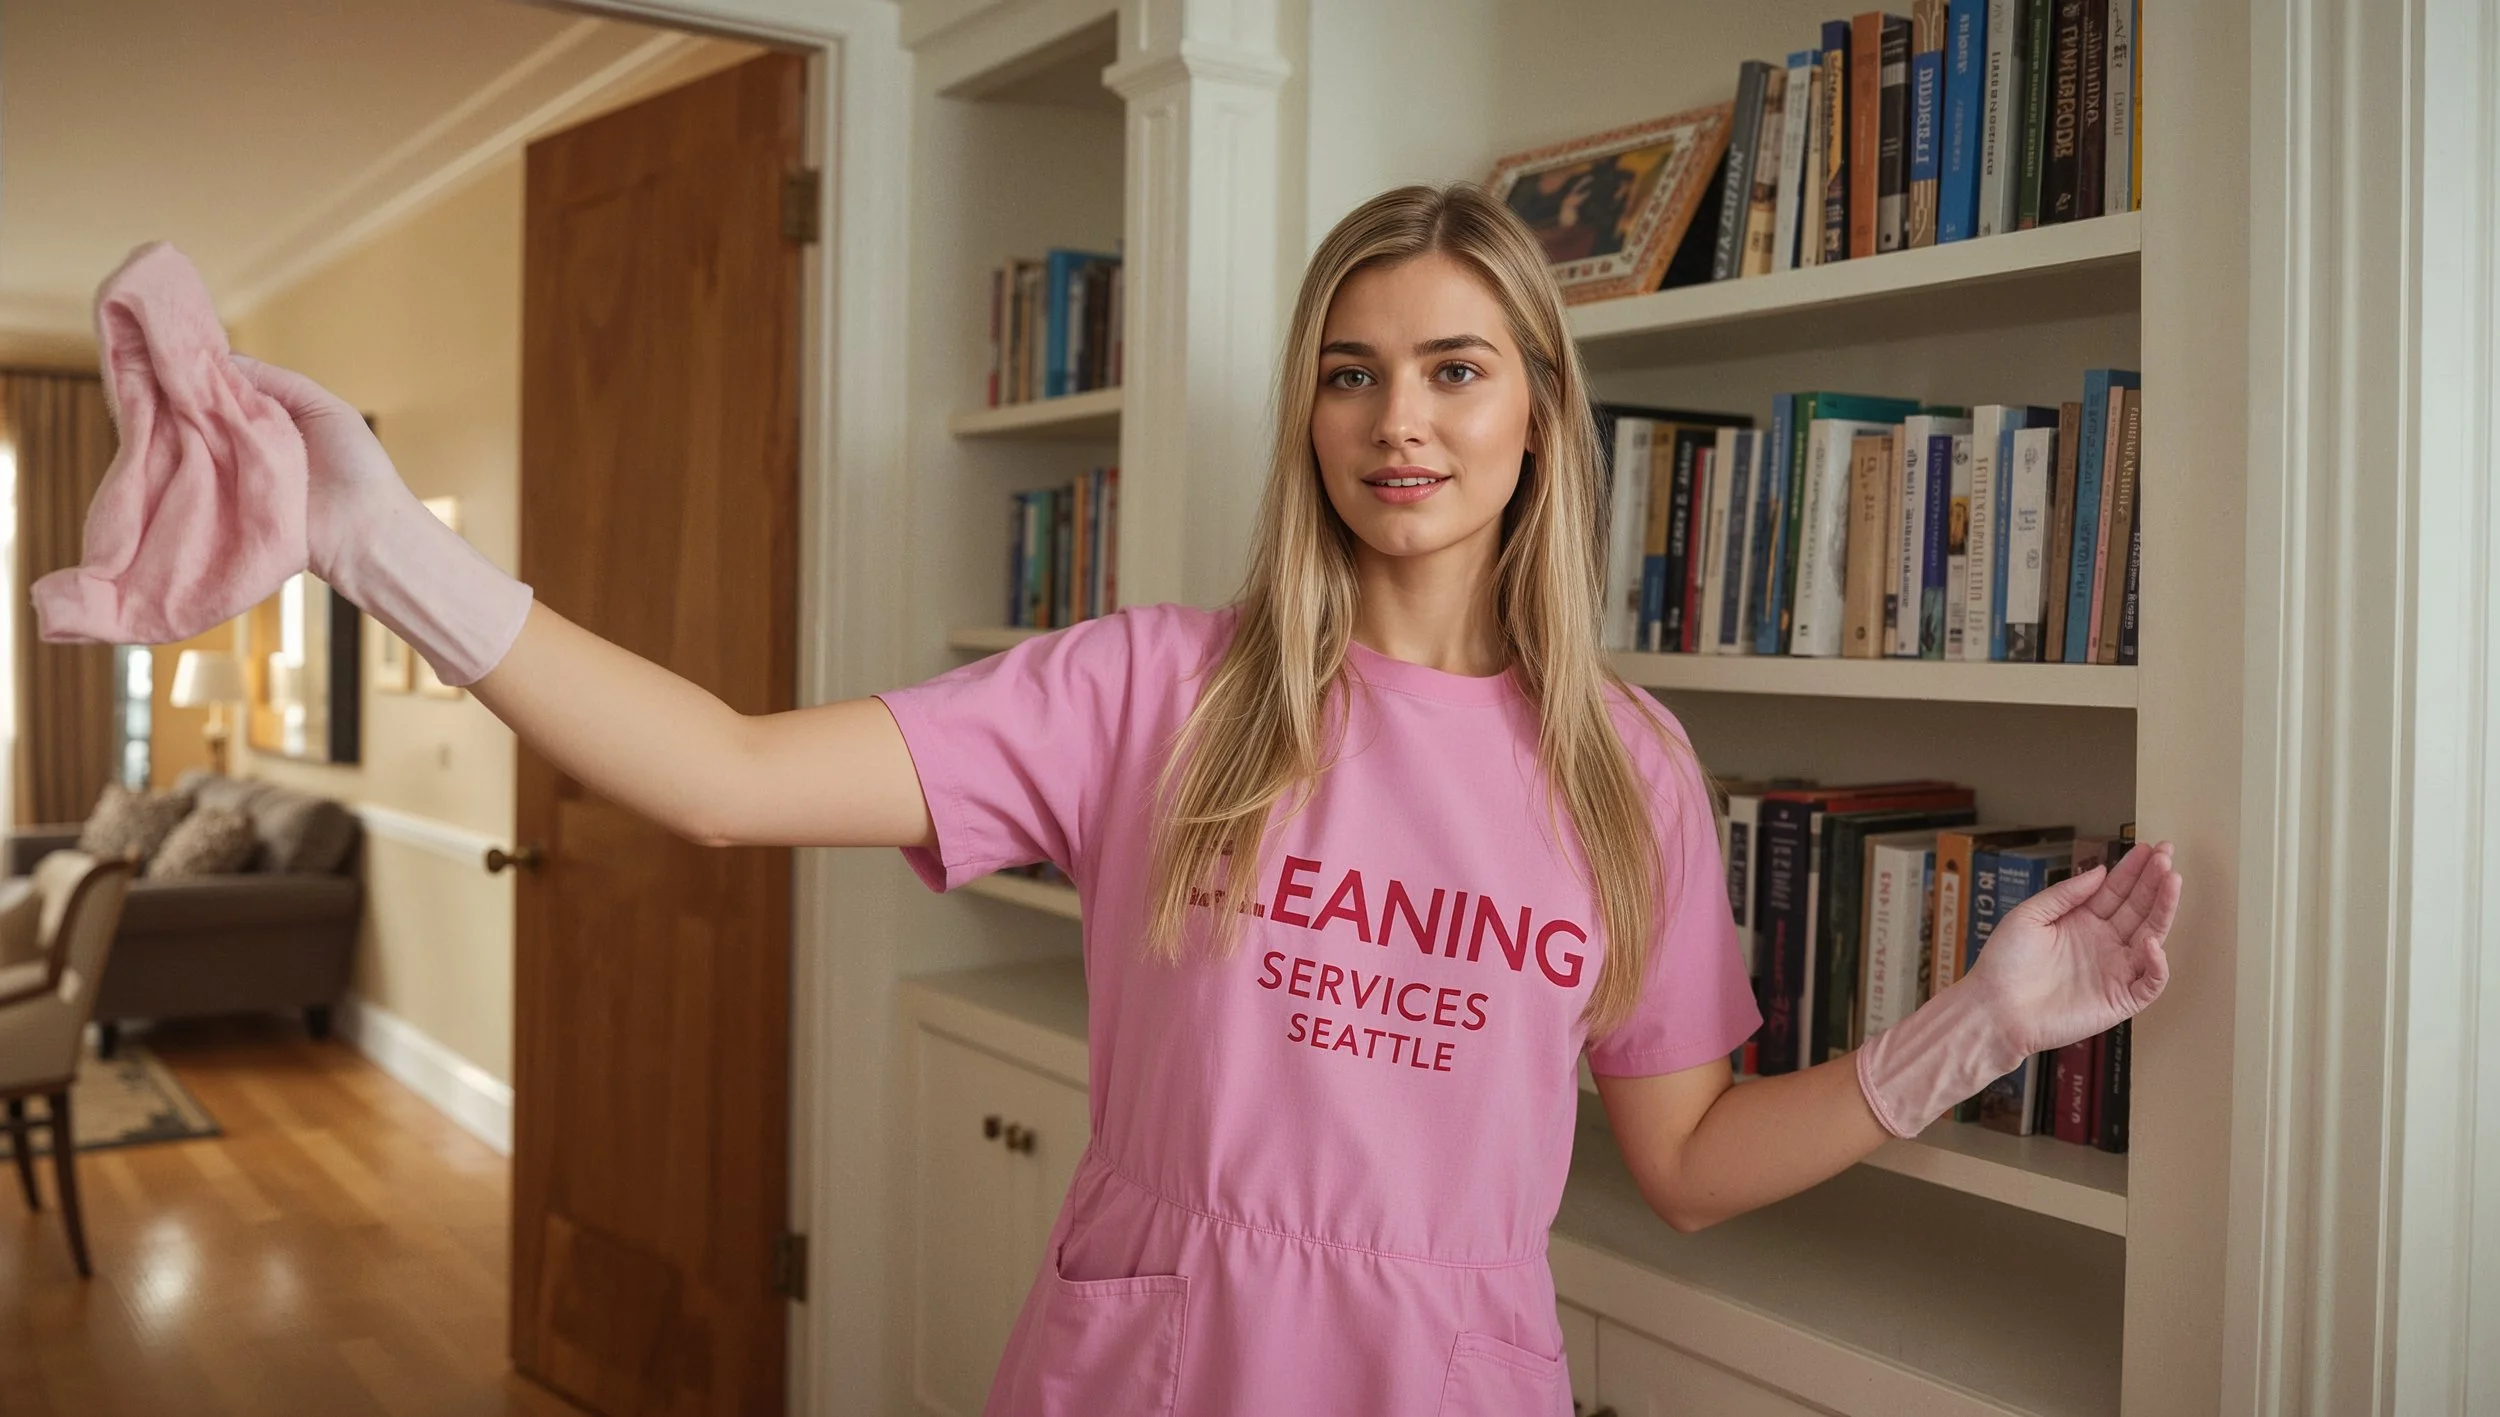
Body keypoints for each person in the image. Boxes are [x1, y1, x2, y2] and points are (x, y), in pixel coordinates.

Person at [231, 183, 2178, 1416]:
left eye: (1450, 369)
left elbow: (1682, 1160)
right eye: (1347, 373)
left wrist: (1973, 1028)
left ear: (1534, 418)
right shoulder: (1152, 689)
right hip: (1148, 1368)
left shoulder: (1626, 773)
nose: (1395, 420)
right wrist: (383, 544)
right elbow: (730, 780)